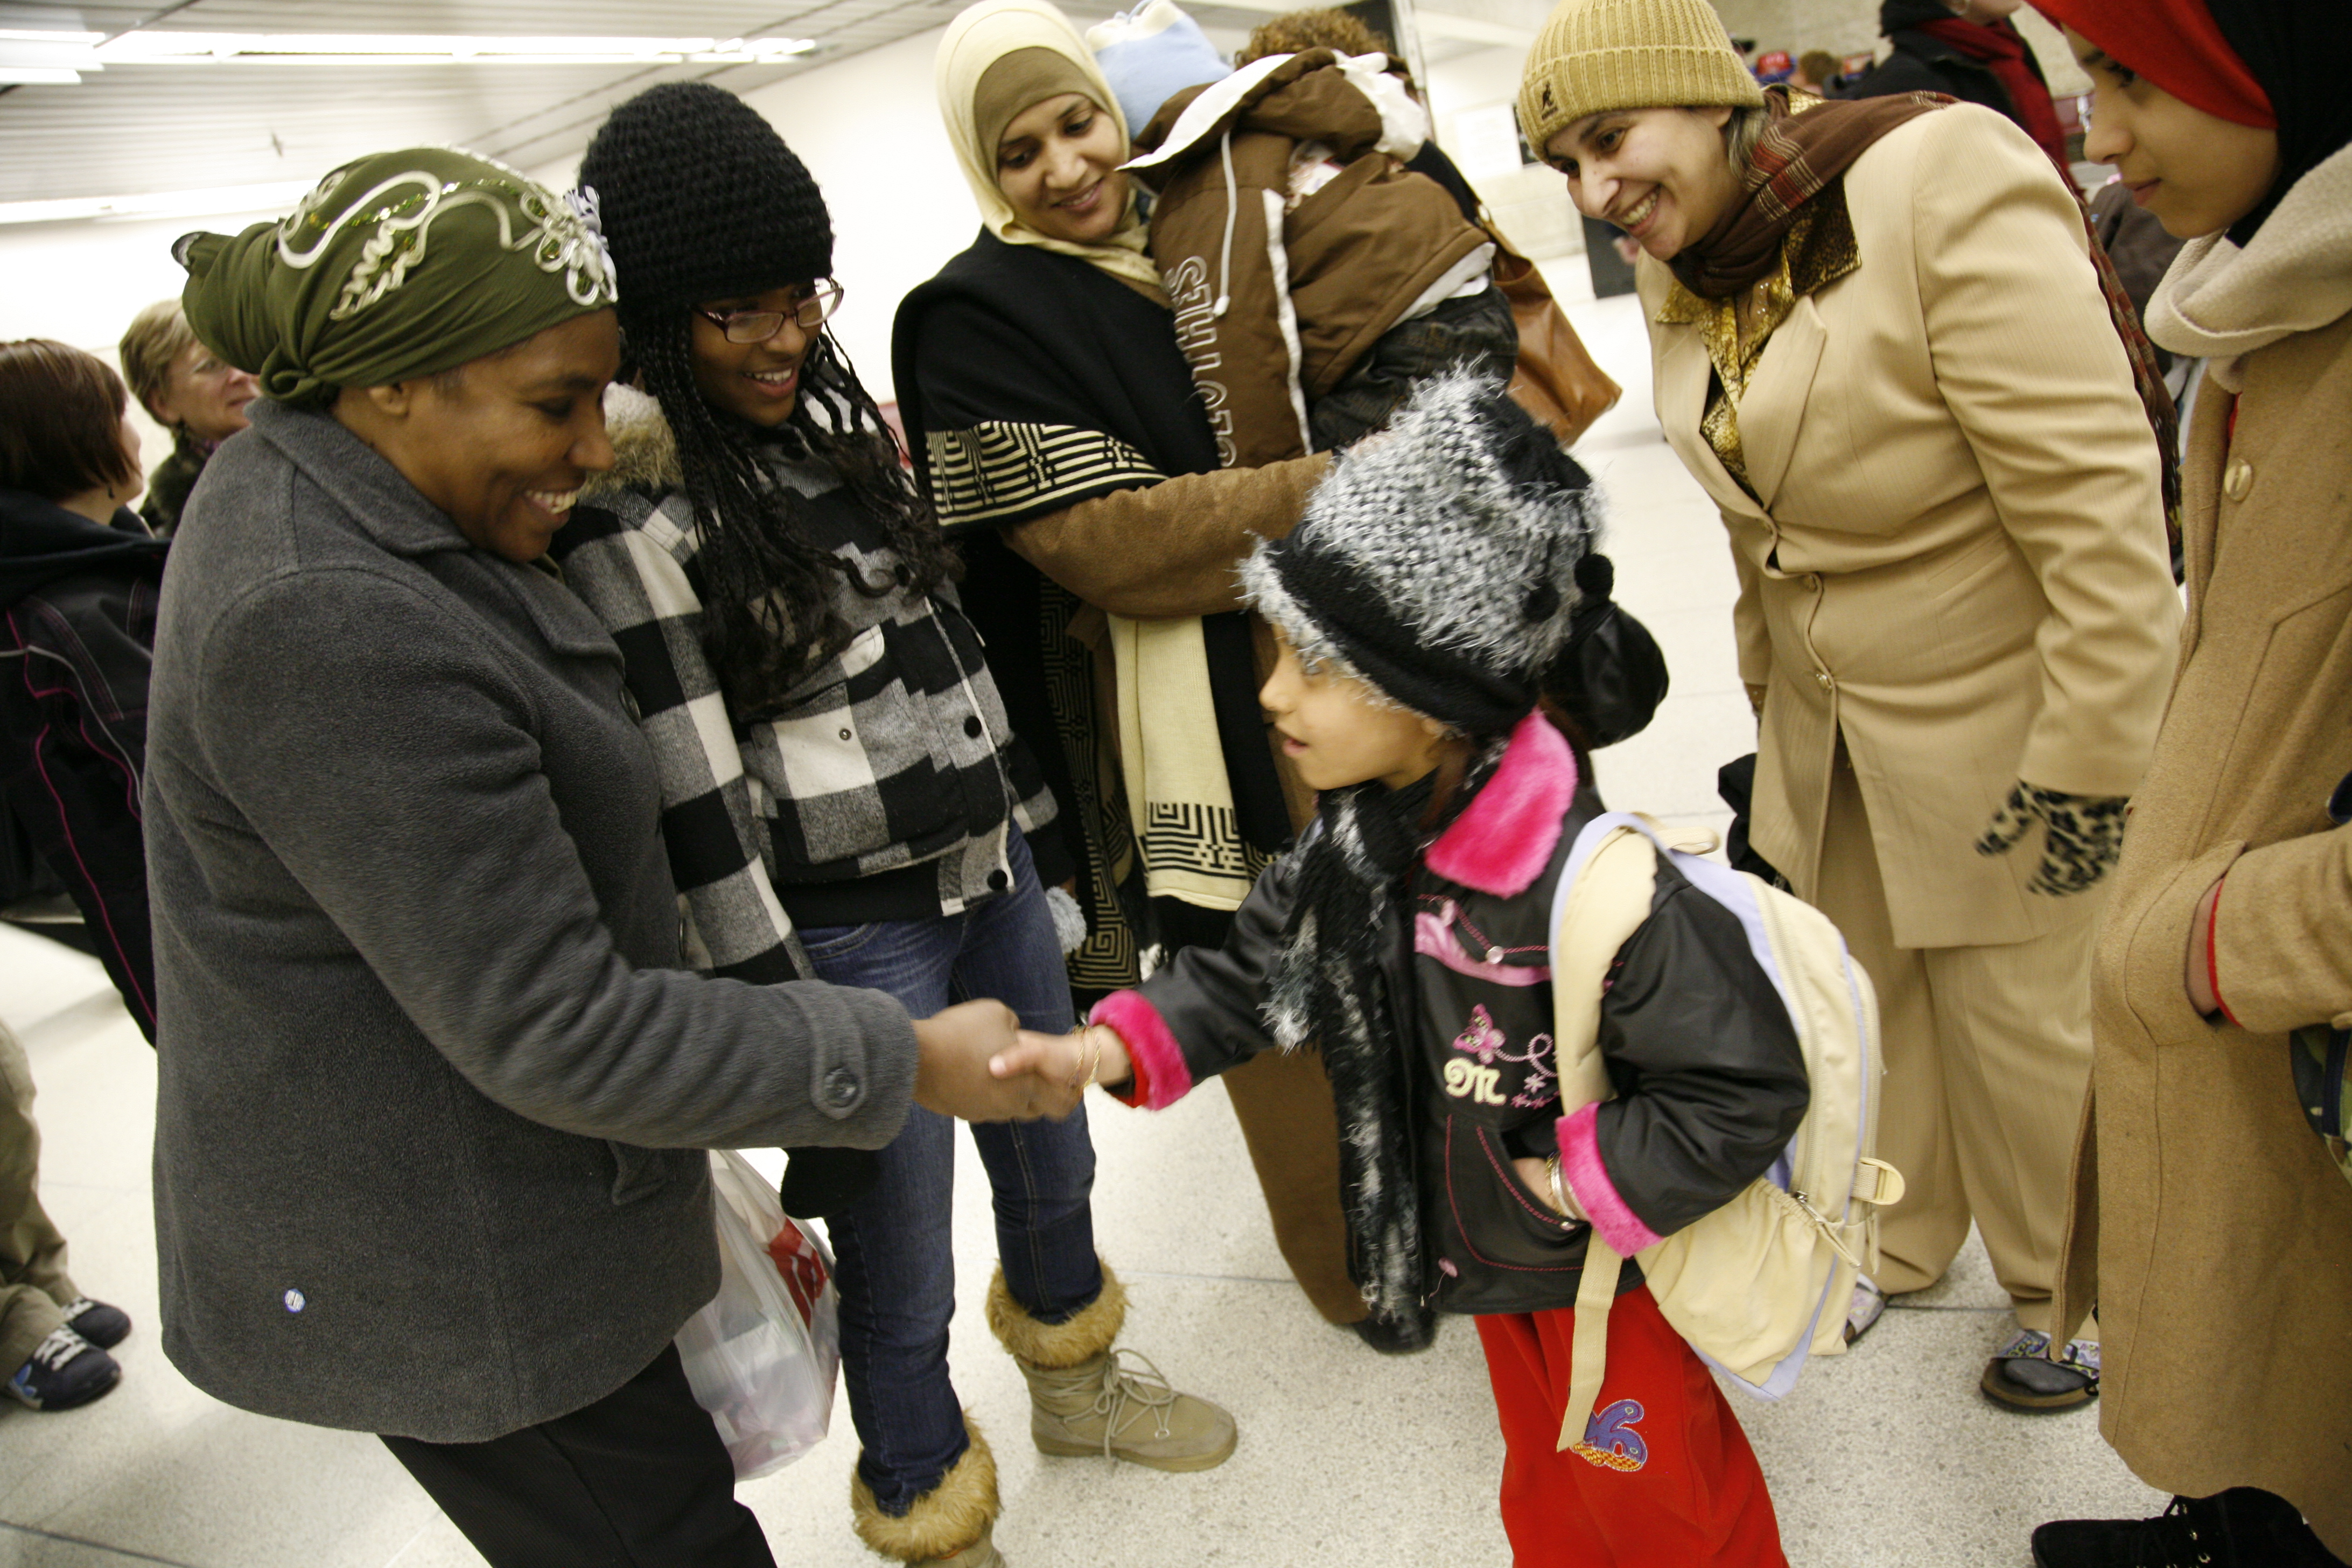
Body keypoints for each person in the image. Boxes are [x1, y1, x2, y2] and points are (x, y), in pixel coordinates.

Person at [145, 146, 1077, 1568]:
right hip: (454, 1257)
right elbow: (553, 1019)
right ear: (395, 378)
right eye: (556, 404)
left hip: (525, 1183)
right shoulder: (323, 611)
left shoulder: (370, 501)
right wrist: (897, 1060)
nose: (596, 447)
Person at [561, 82, 1231, 1568]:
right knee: (901, 1251)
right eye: (739, 310)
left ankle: (1076, 1384)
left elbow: (957, 659)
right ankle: (925, 1501)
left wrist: (1045, 855)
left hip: (987, 875)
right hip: (854, 942)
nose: (786, 334)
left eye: (801, 297)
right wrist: (785, 1022)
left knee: (1057, 1164)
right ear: (661, 322)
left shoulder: (836, 428)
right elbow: (696, 794)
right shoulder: (639, 521)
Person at [998, 372, 1808, 1568]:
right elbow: (1243, 977)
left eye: (1316, 666)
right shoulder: (1358, 848)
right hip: (1491, 1262)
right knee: (1548, 1488)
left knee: (1665, 1498)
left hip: (1602, 1274)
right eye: (1280, 653)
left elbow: (1742, 1089)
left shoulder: (1603, 895)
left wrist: (1570, 1185)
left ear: (1438, 699)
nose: (1272, 692)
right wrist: (1109, 1045)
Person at [1518, 0, 2181, 1411]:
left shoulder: (1936, 178)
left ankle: (2081, 1289)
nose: (1593, 193)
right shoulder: (1698, 262)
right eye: (1561, 165)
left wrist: (2090, 767)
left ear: (1703, 100)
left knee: (2035, 1026)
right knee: (1869, 1013)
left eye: (1607, 138)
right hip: (1832, 738)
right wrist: (1773, 728)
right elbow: (1756, 532)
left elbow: (2098, 512)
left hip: (2009, 719)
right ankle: (1904, 1234)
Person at [892, 0, 1374, 1348]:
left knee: (1405, 942)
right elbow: (1113, 546)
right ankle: (1353, 1274)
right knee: (1264, 987)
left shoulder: (1195, 245)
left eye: (1076, 121)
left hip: (1328, 665)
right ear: (982, 172)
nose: (1063, 166)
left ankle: (1463, 1211)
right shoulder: (974, 316)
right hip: (1185, 726)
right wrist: (1351, 482)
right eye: (1019, 149)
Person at [2024, 2, 2352, 1563]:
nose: (2100, 133)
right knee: (2254, 1324)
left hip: (2281, 984)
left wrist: (2217, 937)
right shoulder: (2260, 303)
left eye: (2134, 77)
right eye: (2092, 77)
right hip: (2225, 979)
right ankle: (2231, 1517)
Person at [1091, 8, 1520, 463]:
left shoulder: (1209, 188)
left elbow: (1239, 344)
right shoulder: (1298, 124)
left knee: (1327, 489)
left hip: (1409, 347)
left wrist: (1268, 482)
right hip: (1467, 312)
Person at [0, 340, 166, 1040]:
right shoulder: (72, 614)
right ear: (76, 439)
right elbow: (175, 794)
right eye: (119, 414)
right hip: (193, 944)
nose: (134, 436)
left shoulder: (95, 564)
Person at [117, 299, 257, 535]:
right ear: (162, 404)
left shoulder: (313, 442)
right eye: (211, 365)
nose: (240, 375)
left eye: (243, 355)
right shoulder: (175, 519)